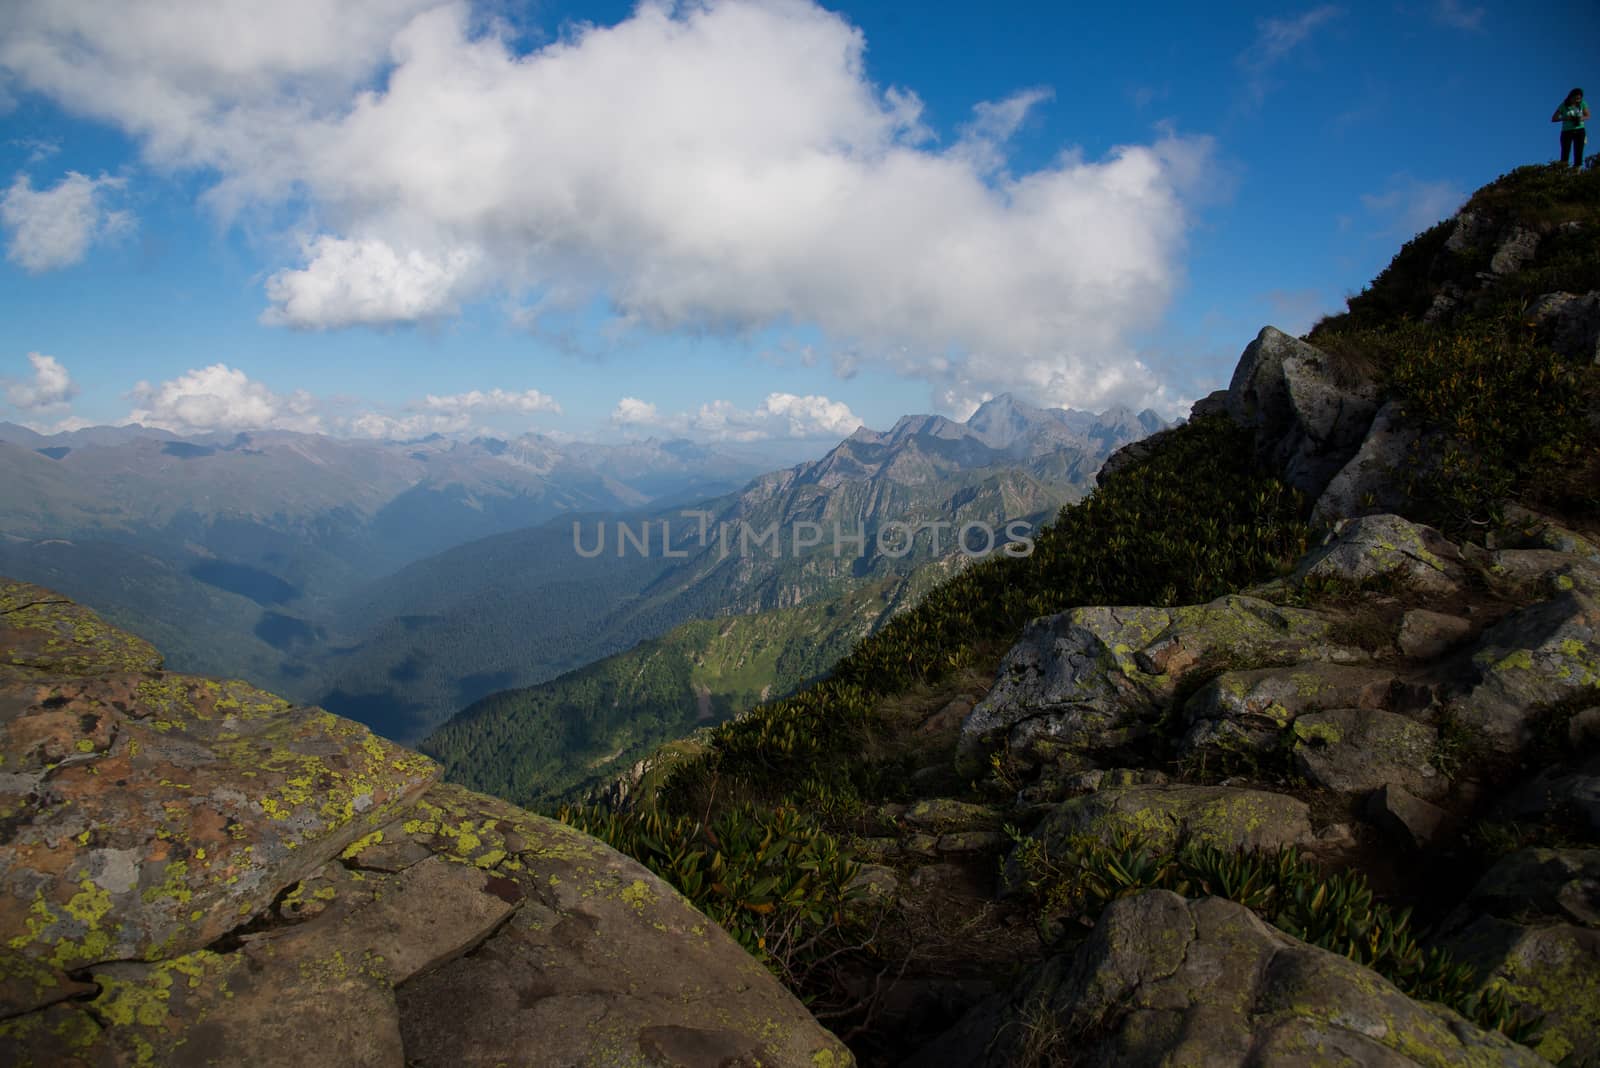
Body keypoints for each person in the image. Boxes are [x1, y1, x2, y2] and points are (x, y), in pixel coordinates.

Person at [1552, 88, 1590, 168]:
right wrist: (1565, 118)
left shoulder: (1583, 104)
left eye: (1579, 99)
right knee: (1565, 152)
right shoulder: (1563, 105)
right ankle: (1563, 172)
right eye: (1576, 98)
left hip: (1579, 130)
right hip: (1567, 131)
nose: (1577, 100)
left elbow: (1588, 116)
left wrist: (1580, 118)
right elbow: (1554, 118)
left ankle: (1577, 172)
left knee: (1578, 152)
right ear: (1571, 97)